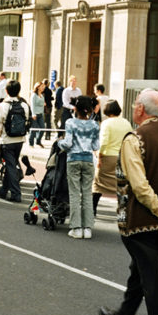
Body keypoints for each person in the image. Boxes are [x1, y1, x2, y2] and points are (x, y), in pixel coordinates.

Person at [99, 90, 158, 315]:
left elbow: (139, 186)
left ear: (141, 109)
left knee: (151, 278)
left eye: (135, 106)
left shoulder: (135, 138)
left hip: (139, 220)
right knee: (141, 270)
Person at [58, 95, 100, 239]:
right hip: (88, 160)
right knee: (87, 194)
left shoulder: (70, 122)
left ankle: (76, 228)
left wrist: (59, 143)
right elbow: (96, 145)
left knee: (75, 194)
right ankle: (87, 228)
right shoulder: (94, 125)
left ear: (75, 108)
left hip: (74, 160)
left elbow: (68, 143)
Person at [92, 100, 132, 215]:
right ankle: (123, 210)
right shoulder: (126, 123)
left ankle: (92, 209)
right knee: (121, 185)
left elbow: (104, 142)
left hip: (108, 156)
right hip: (122, 157)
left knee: (98, 184)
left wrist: (99, 156)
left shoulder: (106, 123)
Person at [0, 80, 29, 202]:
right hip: (20, 140)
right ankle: (4, 190)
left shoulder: (2, 106)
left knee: (11, 166)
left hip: (7, 140)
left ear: (6, 91)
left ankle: (16, 193)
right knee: (11, 164)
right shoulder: (24, 105)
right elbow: (27, 121)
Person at [28, 82, 45, 148]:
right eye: (42, 86)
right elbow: (32, 105)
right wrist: (33, 114)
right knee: (34, 129)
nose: (43, 87)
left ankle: (38, 141)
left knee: (43, 128)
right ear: (38, 87)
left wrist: (42, 113)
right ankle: (31, 143)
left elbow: (42, 106)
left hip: (40, 114)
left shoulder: (42, 95)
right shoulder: (34, 95)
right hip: (35, 114)